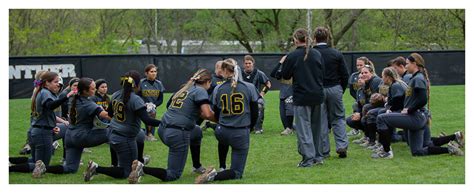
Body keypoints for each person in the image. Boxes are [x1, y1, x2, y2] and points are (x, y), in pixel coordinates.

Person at [126, 69, 217, 184]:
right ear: (208, 81)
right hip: (177, 133)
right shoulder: (201, 90)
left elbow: (171, 105)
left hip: (163, 129)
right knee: (173, 174)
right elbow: (207, 114)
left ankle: (197, 166)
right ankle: (141, 169)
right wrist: (223, 120)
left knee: (197, 131)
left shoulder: (187, 87)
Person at [374, 53, 464, 159]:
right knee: (418, 151)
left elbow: (423, 99)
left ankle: (386, 152)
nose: (406, 66)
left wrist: (409, 110)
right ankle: (450, 148)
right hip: (418, 116)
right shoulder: (415, 77)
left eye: (407, 64)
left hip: (416, 116)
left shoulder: (418, 78)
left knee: (381, 118)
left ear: (414, 64)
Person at [83, 70, 161, 182]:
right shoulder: (135, 99)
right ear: (137, 84)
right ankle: (96, 168)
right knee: (127, 171)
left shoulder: (115, 94)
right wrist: (164, 123)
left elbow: (109, 114)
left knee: (137, 143)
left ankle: (140, 160)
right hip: (124, 138)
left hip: (112, 133)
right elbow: (147, 120)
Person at [195, 59, 259, 184]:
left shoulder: (218, 88)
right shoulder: (249, 87)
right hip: (240, 132)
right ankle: (212, 176)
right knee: (237, 173)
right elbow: (255, 112)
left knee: (224, 142)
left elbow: (217, 113)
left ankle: (222, 166)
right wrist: (250, 128)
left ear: (224, 71)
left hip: (222, 131)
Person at [33, 78, 112, 176]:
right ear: (84, 91)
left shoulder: (75, 99)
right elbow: (106, 116)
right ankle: (117, 164)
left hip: (69, 136)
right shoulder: (88, 104)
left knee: (71, 168)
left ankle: (44, 168)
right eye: (92, 89)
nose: (95, 90)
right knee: (113, 132)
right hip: (81, 136)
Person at [9, 71, 76, 178]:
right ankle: (8, 168)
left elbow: (46, 113)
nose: (58, 83)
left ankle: (8, 161)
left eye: (58, 81)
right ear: (46, 83)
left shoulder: (42, 91)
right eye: (55, 81)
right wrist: (67, 96)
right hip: (42, 133)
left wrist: (51, 126)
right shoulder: (45, 92)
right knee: (42, 165)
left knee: (35, 161)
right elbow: (50, 105)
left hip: (38, 130)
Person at [280, 28, 325, 167]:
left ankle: (308, 159)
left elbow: (286, 75)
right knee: (316, 128)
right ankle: (318, 157)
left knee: (303, 129)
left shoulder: (292, 56)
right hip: (318, 94)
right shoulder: (317, 54)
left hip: (302, 96)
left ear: (295, 40)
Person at [313, 26, 350, 158]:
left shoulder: (311, 53)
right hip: (335, 88)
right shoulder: (336, 53)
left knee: (321, 120)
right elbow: (345, 75)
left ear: (314, 38)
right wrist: (341, 89)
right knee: (338, 118)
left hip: (318, 89)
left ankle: (324, 150)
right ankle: (341, 146)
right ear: (328, 37)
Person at [348, 64, 382, 147]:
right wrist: (357, 113)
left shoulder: (375, 81)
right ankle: (368, 137)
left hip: (379, 107)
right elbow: (360, 104)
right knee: (350, 120)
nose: (362, 76)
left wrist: (361, 114)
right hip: (368, 109)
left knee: (365, 116)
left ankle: (372, 139)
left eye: (365, 73)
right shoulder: (361, 89)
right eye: (361, 74)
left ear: (371, 73)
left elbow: (374, 100)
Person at [241, 55, 271, 134]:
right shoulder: (239, 74)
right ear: (243, 64)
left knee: (260, 105)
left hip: (256, 98)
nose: (247, 65)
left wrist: (262, 93)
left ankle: (258, 128)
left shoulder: (259, 73)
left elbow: (268, 84)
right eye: (246, 63)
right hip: (242, 97)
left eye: (249, 63)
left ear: (253, 63)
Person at [347, 57, 374, 136]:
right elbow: (352, 90)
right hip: (359, 98)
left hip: (368, 102)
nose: (359, 67)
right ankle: (357, 129)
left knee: (359, 107)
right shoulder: (354, 76)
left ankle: (369, 134)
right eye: (357, 65)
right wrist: (358, 98)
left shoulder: (372, 78)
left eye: (360, 65)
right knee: (356, 106)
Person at [139, 64, 165, 141]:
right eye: (151, 71)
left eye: (155, 71)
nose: (154, 73)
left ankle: (149, 134)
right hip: (141, 105)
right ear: (146, 73)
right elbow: (137, 96)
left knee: (152, 111)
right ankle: (148, 134)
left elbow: (161, 99)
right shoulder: (141, 83)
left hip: (152, 106)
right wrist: (144, 104)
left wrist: (154, 105)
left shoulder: (159, 84)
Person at [270, 55, 294, 136]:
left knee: (289, 111)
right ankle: (289, 127)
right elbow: (272, 74)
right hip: (282, 95)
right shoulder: (282, 71)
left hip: (291, 94)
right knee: (283, 115)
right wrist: (280, 62)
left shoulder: (295, 70)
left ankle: (289, 128)